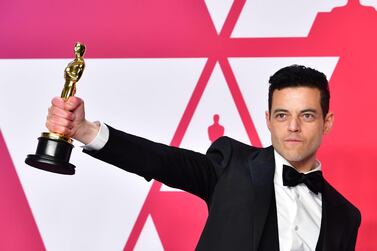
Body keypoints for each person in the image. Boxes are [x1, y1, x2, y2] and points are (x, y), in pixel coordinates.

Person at [45, 65, 361, 251]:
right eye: (282, 115)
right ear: (268, 119)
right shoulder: (233, 164)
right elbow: (162, 161)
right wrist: (85, 130)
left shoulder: (346, 216)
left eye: (306, 115)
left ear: (327, 121)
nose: (292, 127)